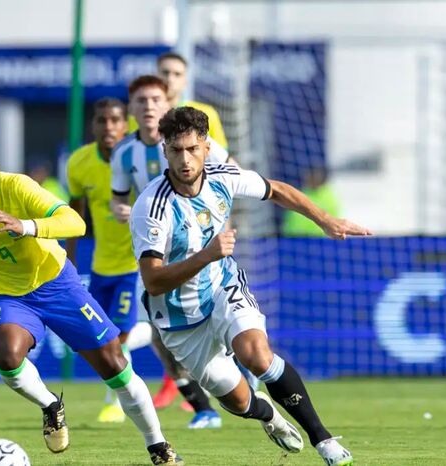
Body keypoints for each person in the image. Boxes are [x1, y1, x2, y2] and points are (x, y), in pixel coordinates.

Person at [0, 134, 183, 465]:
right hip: (10, 295)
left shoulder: (19, 188)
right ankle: (51, 405)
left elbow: (75, 223)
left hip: (58, 284)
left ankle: (158, 446)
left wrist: (24, 225)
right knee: (6, 357)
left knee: (115, 366)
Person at [131, 107, 370, 465]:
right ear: (164, 150)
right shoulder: (151, 206)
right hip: (179, 318)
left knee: (257, 355)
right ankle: (270, 417)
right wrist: (207, 255)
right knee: (239, 402)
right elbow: (152, 280)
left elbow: (277, 190)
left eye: (192, 149)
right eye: (176, 150)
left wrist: (326, 220)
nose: (185, 159)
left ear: (206, 148)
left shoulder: (224, 177)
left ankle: (324, 441)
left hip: (221, 288)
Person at [111, 74, 227, 429]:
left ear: (167, 104)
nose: (148, 107)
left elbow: (229, 180)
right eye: (141, 101)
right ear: (131, 109)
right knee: (160, 330)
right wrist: (122, 211)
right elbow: (118, 198)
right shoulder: (125, 153)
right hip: (153, 254)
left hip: (202, 249)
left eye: (155, 100)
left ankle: (249, 375)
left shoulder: (198, 145)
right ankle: (203, 407)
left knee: (222, 321)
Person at [65, 97, 134, 423]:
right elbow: (74, 215)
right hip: (101, 265)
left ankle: (116, 402)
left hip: (138, 264)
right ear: (93, 125)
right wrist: (69, 262)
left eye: (115, 120)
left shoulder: (139, 158)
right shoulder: (79, 163)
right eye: (102, 120)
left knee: (117, 337)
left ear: (126, 124)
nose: (108, 126)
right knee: (106, 337)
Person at [128, 51, 228, 150]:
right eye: (165, 72)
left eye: (177, 74)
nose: (170, 79)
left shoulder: (207, 113)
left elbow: (223, 158)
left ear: (185, 81)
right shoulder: (137, 115)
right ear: (155, 77)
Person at [282, 167, 341, 237]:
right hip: (294, 238)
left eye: (314, 177)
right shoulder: (300, 193)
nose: (310, 180)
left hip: (318, 239)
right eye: (309, 177)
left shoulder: (328, 198)